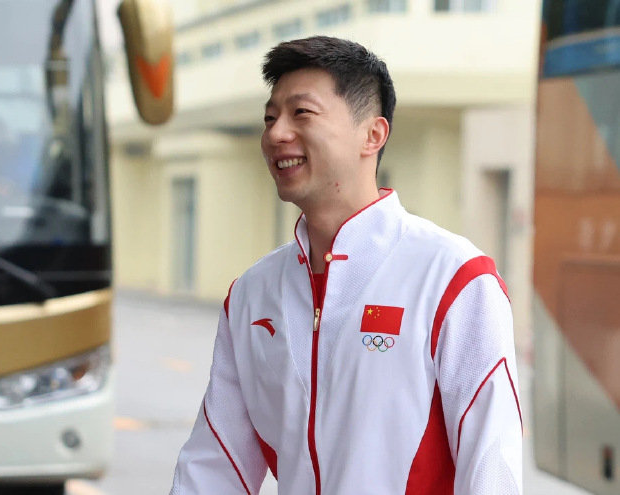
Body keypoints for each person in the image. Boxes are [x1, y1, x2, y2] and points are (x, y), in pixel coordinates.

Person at [170, 36, 522, 494]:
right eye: (270, 118)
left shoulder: (455, 280)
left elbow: (492, 470)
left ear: (372, 135)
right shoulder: (251, 296)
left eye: (302, 113)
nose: (276, 134)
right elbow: (214, 466)